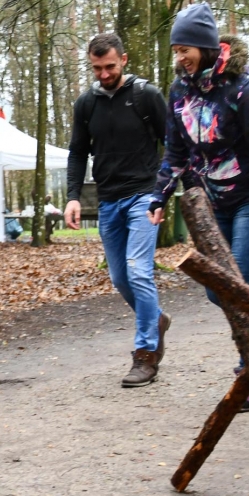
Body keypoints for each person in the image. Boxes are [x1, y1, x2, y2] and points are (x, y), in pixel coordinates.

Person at [147, 3, 249, 412]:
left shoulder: (243, 90)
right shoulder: (180, 91)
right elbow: (176, 151)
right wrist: (159, 195)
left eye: (185, 47)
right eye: (175, 49)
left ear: (205, 45)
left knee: (238, 289)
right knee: (217, 289)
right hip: (215, 202)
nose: (180, 56)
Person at [64, 32, 172, 388]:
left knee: (139, 271)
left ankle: (146, 355)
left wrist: (164, 192)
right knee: (120, 278)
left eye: (109, 66)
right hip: (109, 201)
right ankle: (155, 319)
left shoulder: (147, 96)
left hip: (144, 194)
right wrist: (73, 196)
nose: (104, 74)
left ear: (123, 60)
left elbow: (172, 143)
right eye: (97, 68)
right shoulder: (86, 104)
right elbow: (78, 152)